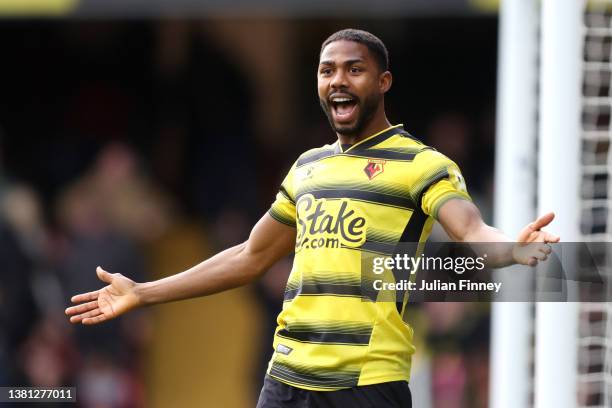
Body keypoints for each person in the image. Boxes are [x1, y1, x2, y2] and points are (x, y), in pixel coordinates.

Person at [66, 29, 559, 408]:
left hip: (365, 383)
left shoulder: (422, 165)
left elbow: (471, 229)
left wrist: (510, 250)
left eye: (354, 70)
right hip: (286, 378)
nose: (338, 81)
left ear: (383, 82)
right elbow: (250, 255)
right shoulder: (308, 167)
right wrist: (144, 292)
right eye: (327, 71)